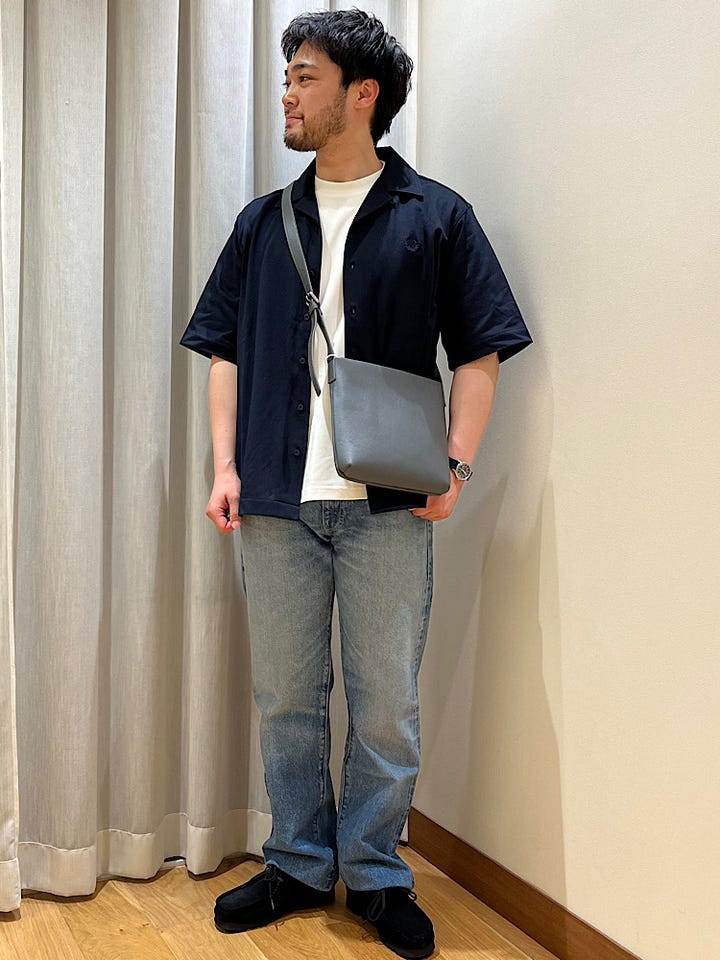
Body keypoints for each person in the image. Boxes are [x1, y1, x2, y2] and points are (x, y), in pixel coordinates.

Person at [180, 9, 531, 959]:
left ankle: (375, 873)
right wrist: (225, 465)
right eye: (288, 77)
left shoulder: (435, 215)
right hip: (275, 501)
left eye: (304, 76)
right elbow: (223, 351)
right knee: (286, 699)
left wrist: (457, 463)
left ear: (361, 93)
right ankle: (298, 862)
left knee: (386, 706)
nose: (287, 94)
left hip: (386, 506)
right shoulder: (263, 221)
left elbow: (482, 349)